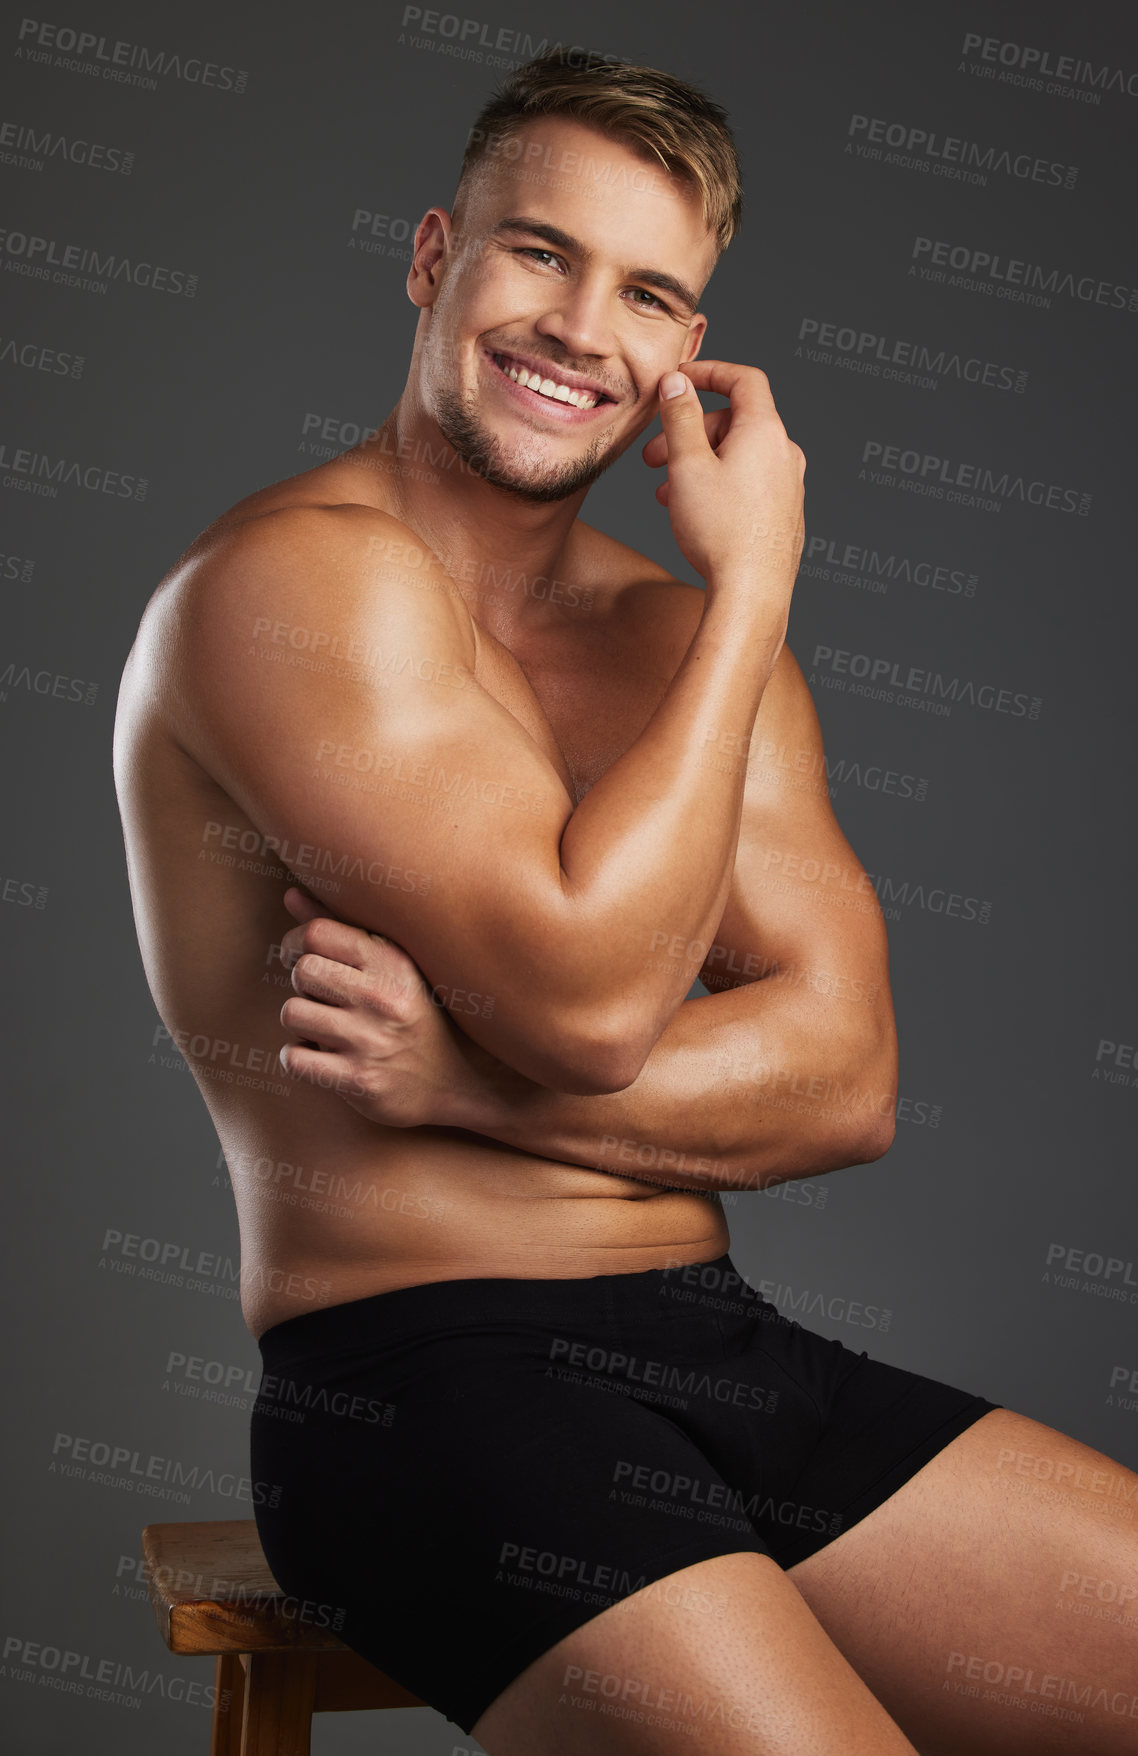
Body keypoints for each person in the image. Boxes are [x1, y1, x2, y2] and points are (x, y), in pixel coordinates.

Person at [114, 53, 1138, 1756]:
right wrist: (757, 602)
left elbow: (844, 1077)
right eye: (540, 254)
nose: (583, 327)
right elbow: (593, 1006)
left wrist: (457, 1077)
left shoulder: (674, 635)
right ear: (436, 255)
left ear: (686, 351)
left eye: (648, 292)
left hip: (723, 1352)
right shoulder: (296, 586)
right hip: (431, 1393)